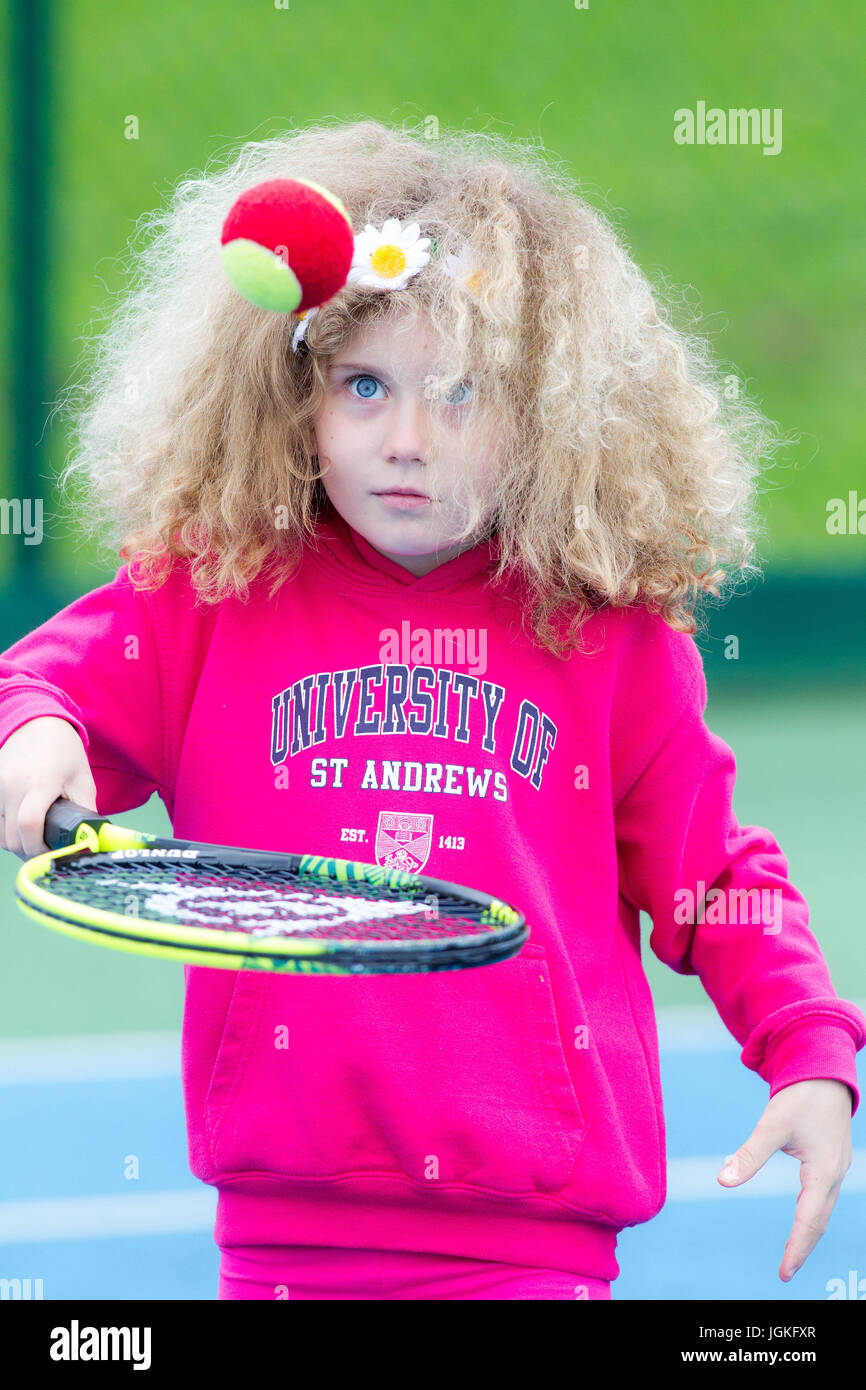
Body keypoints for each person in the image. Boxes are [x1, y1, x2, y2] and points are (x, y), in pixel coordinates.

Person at [0, 118, 862, 1301]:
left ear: (552, 417)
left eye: (458, 396)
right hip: (281, 1235)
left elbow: (710, 875)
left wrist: (807, 1047)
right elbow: (40, 687)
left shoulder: (606, 635)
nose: (404, 441)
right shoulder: (216, 594)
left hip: (531, 1240)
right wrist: (39, 731)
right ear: (292, 393)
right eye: (363, 385)